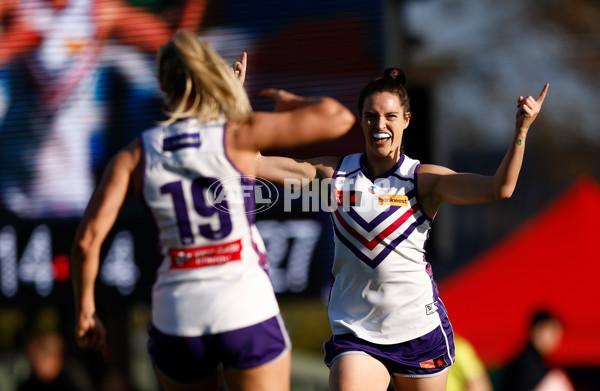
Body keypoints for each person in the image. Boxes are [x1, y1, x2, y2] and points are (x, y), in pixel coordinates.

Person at [70, 30, 355, 391]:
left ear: (161, 82)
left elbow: (86, 241)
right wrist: (272, 102)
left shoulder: (134, 154)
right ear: (210, 75)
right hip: (243, 306)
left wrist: (85, 311)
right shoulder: (237, 136)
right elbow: (338, 118)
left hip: (177, 317)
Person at [256, 68, 548, 391]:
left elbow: (499, 188)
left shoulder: (422, 180)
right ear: (361, 119)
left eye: (390, 116)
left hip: (418, 333)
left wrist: (521, 129)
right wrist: (243, 109)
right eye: (371, 116)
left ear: (406, 119)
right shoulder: (334, 175)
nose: (379, 126)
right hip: (358, 334)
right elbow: (254, 163)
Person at [501, 310, 574, 391]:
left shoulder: (539, 361)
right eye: (552, 331)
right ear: (537, 329)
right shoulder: (525, 363)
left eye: (558, 333)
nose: (556, 338)